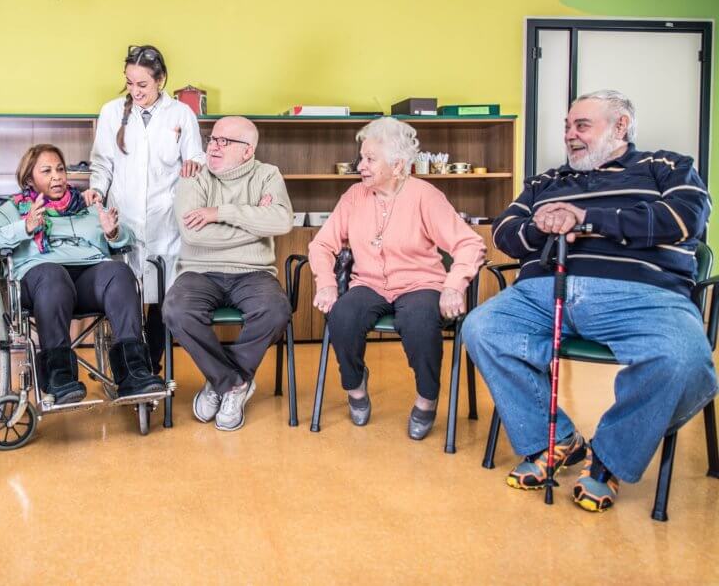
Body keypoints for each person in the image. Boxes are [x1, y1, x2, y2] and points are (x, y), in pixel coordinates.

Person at [462, 89, 718, 512]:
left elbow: (684, 219)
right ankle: (557, 439)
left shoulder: (666, 167)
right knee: (482, 328)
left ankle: (610, 455)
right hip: (544, 292)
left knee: (685, 359)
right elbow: (507, 232)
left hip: (643, 296)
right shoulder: (547, 181)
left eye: (581, 125)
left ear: (621, 126)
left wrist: (587, 217)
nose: (570, 135)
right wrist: (544, 226)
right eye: (567, 127)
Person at [308, 117, 485, 440]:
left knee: (419, 322)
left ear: (398, 164)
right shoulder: (353, 196)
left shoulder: (425, 195)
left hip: (421, 283)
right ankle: (356, 386)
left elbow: (469, 243)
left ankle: (426, 399)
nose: (360, 165)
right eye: (362, 157)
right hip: (369, 283)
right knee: (343, 317)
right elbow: (322, 244)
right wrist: (327, 282)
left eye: (370, 159)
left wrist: (453, 285)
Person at [0, 144, 164, 403]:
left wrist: (113, 233)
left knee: (120, 271)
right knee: (53, 276)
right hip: (42, 280)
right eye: (46, 171)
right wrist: (25, 227)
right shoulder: (14, 208)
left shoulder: (88, 205)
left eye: (60, 169)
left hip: (90, 276)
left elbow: (125, 241)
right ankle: (60, 376)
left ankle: (133, 371)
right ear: (30, 178)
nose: (57, 176)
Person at [162, 116, 293, 431]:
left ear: (247, 151)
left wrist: (221, 213)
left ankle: (220, 382)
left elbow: (282, 222)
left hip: (253, 272)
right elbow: (193, 236)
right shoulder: (194, 176)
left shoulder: (267, 175)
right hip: (199, 271)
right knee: (176, 311)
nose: (214, 146)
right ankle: (233, 383)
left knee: (276, 310)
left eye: (225, 141)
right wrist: (255, 224)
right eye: (213, 139)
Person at [85, 44, 205, 371]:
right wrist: (96, 190)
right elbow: (103, 164)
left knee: (163, 302)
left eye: (143, 85)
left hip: (166, 222)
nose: (135, 91)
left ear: (161, 80)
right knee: (126, 299)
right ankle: (129, 367)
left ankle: (148, 368)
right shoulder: (111, 112)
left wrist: (194, 166)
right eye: (129, 83)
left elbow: (196, 157)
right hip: (124, 219)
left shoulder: (181, 114)